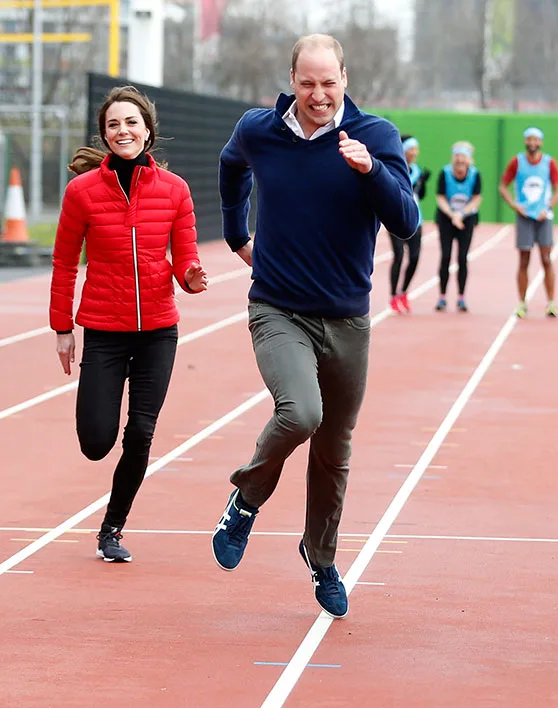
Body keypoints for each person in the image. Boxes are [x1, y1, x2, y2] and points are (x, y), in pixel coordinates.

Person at [211, 34, 420, 619]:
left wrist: (371, 170)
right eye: (308, 83)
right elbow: (232, 167)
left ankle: (321, 557)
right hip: (278, 307)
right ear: (292, 81)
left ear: (345, 80)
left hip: (347, 318)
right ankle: (246, 499)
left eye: (329, 83)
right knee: (301, 412)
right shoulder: (261, 129)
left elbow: (406, 221)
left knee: (334, 448)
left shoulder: (374, 136)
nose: (319, 94)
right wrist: (235, 233)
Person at [49, 85, 208, 563]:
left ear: (147, 131)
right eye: (114, 124)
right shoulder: (82, 193)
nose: (123, 130)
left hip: (159, 329)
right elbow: (62, 264)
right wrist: (62, 328)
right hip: (103, 328)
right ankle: (105, 480)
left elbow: (185, 257)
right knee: (97, 442)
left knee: (140, 432)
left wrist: (192, 277)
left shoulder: (175, 190)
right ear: (104, 134)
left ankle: (112, 527)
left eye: (132, 122)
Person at [498, 126, 558, 318]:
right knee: (524, 260)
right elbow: (502, 186)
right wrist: (514, 206)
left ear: (541, 142)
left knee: (546, 259)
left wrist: (548, 207)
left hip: (543, 217)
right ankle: (522, 303)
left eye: (536, 140)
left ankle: (551, 302)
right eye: (529, 139)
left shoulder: (549, 163)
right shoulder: (516, 162)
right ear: (525, 141)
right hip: (525, 216)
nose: (532, 143)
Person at [435, 141, 482, 312]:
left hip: (466, 219)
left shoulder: (475, 175)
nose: (460, 161)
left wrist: (461, 214)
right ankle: (442, 296)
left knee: (462, 258)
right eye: (458, 157)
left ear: (469, 160)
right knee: (446, 256)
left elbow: (477, 198)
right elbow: (440, 197)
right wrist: (452, 214)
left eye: (464, 157)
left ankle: (461, 297)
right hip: (447, 218)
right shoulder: (445, 173)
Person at [389, 134, 430, 313]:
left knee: (414, 257)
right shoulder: (395, 169)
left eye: (416, 149)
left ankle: (403, 291)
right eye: (412, 149)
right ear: (404, 150)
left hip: (416, 219)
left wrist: (423, 183)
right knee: (398, 255)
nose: (415, 152)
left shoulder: (417, 171)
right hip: (396, 217)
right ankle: (392, 295)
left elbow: (420, 196)